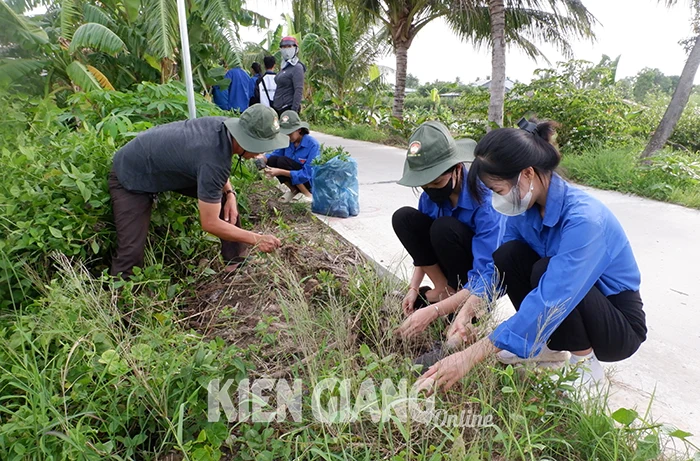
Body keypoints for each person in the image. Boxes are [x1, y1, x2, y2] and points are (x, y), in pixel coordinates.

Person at [416, 118, 647, 393]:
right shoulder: (525, 210)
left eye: (498, 191)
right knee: (508, 254)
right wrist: (463, 311)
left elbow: (553, 295)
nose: (496, 199)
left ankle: (586, 368)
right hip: (566, 300)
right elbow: (496, 272)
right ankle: (544, 346)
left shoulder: (585, 219)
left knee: (546, 271)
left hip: (616, 324)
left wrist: (470, 355)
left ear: (527, 174)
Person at [109, 105, 288, 277]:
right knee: (131, 250)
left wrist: (230, 194)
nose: (259, 154)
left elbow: (213, 167)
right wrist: (256, 239)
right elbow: (209, 222)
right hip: (131, 174)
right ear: (245, 139)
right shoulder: (213, 158)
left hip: (162, 165)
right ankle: (120, 296)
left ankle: (235, 262)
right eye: (260, 146)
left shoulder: (225, 130)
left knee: (224, 200)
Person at [392, 121, 504, 342]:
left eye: (436, 182)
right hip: (449, 272)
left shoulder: (486, 202)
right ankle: (444, 291)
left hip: (478, 278)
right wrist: (414, 287)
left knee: (444, 228)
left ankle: (464, 310)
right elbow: (422, 247)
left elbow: (488, 275)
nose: (431, 191)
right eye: (425, 186)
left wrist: (434, 311)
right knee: (404, 218)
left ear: (457, 169)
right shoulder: (430, 196)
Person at [256, 110, 319, 204]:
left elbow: (307, 174)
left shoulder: (312, 145)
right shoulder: (288, 142)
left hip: (308, 181)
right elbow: (274, 155)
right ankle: (294, 190)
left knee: (282, 161)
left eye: (290, 134)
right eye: (285, 134)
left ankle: (307, 194)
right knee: (273, 160)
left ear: (299, 130)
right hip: (294, 177)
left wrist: (279, 172)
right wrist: (262, 158)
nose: (288, 137)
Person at [273, 36, 305, 115]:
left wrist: (293, 111)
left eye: (289, 46)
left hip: (288, 108)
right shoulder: (285, 67)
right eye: (284, 47)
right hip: (278, 108)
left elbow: (298, 90)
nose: (286, 49)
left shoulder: (297, 67)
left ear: (296, 49)